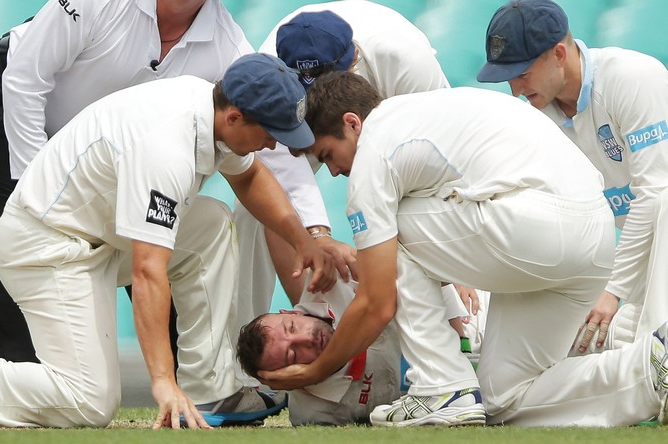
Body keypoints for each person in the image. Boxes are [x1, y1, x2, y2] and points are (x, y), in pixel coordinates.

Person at [258, 71, 668, 427]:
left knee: (388, 228)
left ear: (352, 124)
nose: (333, 170)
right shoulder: (424, 110)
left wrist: (314, 370)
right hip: (590, 237)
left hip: (537, 229)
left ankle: (443, 386)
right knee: (503, 395)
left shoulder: (375, 153)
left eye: (328, 155)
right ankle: (651, 366)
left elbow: (378, 302)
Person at [0, 53, 336, 429]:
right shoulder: (166, 148)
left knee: (212, 223)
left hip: (97, 236)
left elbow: (250, 178)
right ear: (235, 118)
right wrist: (164, 381)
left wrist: (304, 241)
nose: (269, 145)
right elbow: (148, 271)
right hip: (48, 248)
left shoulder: (211, 107)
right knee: (88, 402)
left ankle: (208, 391)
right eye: (269, 134)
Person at [0, 0, 251, 367]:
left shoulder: (231, 49)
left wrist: (310, 234)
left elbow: (259, 156)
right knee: (26, 235)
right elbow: (24, 78)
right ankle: (10, 371)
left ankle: (193, 380)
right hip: (8, 93)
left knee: (149, 232)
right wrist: (36, 193)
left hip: (109, 144)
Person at [230, 3, 460, 375]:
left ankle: (454, 329)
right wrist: (316, 239)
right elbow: (279, 176)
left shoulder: (403, 58)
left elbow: (443, 160)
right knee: (260, 208)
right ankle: (295, 341)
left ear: (351, 63)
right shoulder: (275, 60)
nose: (337, 173)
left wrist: (456, 279)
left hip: (400, 115)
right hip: (326, 115)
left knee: (414, 201)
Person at [476, 0, 668, 354]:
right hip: (642, 245)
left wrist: (613, 291)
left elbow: (655, 195)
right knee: (607, 344)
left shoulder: (633, 77)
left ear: (559, 54)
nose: (515, 90)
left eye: (522, 73)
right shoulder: (536, 116)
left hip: (660, 231)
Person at [236, 262, 480, 426]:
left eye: (292, 327)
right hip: (457, 386)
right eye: (293, 354)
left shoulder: (332, 280)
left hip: (472, 314)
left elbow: (409, 263)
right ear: (284, 377)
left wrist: (454, 279)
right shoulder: (313, 414)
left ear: (290, 312)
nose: (306, 338)